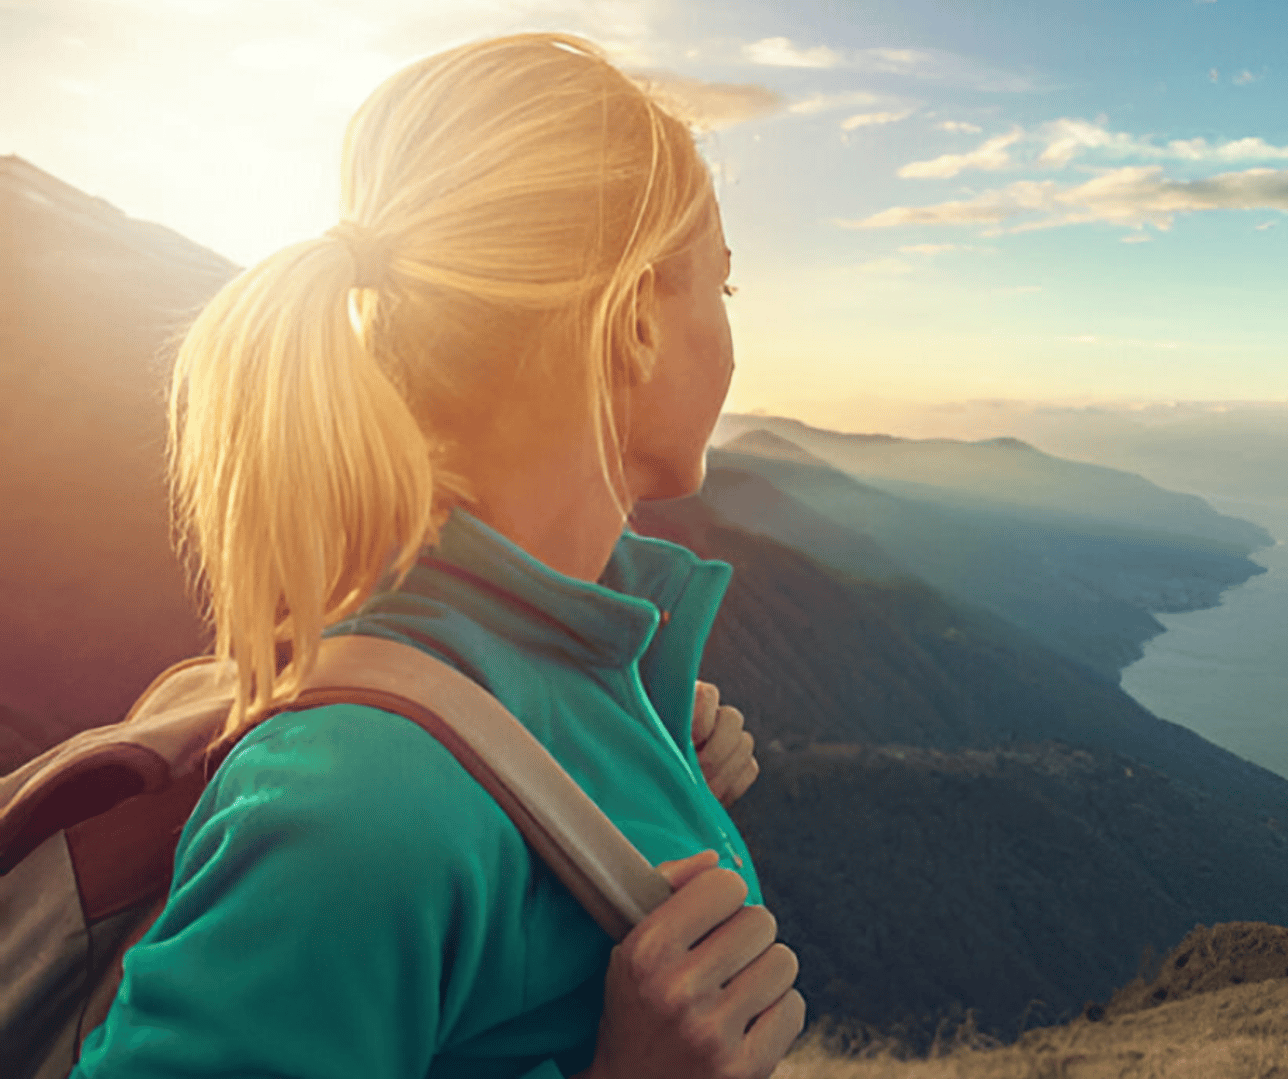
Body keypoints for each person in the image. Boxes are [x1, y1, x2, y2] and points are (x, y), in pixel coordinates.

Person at [69, 31, 804, 1079]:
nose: (728, 339)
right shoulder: (361, 811)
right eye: (717, 290)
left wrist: (640, 752)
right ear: (638, 317)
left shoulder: (555, 675)